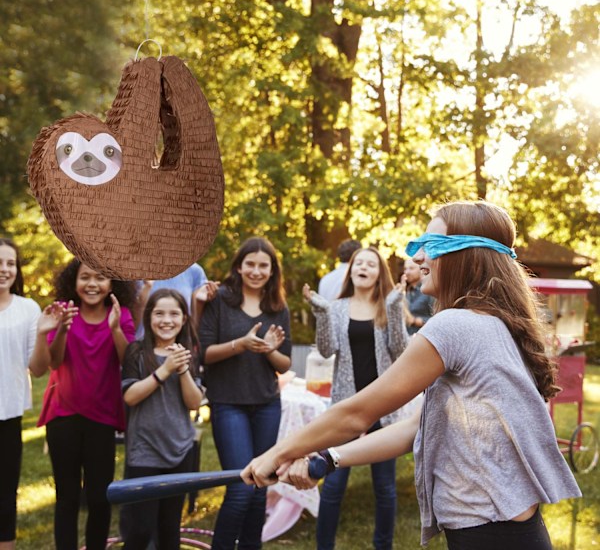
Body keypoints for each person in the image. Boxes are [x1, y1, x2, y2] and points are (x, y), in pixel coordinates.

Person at [242, 201, 582, 550]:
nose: (419, 257)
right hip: (510, 533)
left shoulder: (455, 326)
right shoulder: (495, 323)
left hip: (490, 535)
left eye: (431, 246)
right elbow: (414, 428)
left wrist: (276, 453)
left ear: (467, 255)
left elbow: (357, 414)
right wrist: (326, 460)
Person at [303, 246, 409, 550]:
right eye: (358, 263)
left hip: (383, 409)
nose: (363, 267)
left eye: (370, 264)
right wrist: (322, 313)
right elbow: (326, 350)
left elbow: (400, 352)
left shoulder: (388, 304)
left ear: (379, 273)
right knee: (334, 485)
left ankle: (383, 546)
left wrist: (394, 308)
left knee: (385, 488)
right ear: (351, 270)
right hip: (346, 409)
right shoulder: (337, 307)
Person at [32, 259, 137, 550]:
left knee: (98, 498)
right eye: (85, 277)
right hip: (63, 415)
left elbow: (126, 361)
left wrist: (115, 328)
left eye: (101, 277)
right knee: (66, 497)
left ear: (112, 284)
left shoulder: (121, 315)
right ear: (73, 282)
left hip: (102, 417)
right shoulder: (63, 312)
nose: (93, 284)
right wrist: (61, 329)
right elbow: (53, 362)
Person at [199, 237, 292, 549]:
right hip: (228, 404)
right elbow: (205, 354)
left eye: (263, 265)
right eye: (250, 264)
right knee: (240, 489)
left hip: (267, 403)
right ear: (239, 267)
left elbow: (284, 362)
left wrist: (267, 350)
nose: (256, 270)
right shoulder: (220, 300)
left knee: (260, 487)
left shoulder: (278, 307)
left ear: (272, 270)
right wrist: (242, 343)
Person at [120, 289, 205, 549]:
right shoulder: (136, 351)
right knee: (141, 529)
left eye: (174, 314)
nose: (166, 320)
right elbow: (130, 396)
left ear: (183, 319)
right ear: (149, 318)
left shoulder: (189, 352)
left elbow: (194, 402)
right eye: (159, 313)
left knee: (169, 528)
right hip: (144, 450)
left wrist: (181, 370)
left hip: (179, 449)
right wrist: (164, 370)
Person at [0, 239, 41, 550]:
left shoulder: (28, 309)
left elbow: (37, 368)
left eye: (10, 263)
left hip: (8, 413)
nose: (4, 270)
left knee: (5, 490)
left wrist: (46, 333)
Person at [135, 263, 217, 334]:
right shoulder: (135, 268)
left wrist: (201, 301)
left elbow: (194, 324)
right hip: (144, 345)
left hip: (179, 344)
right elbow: (130, 322)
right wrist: (146, 289)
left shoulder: (194, 271)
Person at [401, 258, 434, 335]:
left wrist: (415, 321)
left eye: (411, 268)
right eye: (405, 269)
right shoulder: (406, 292)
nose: (407, 272)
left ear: (421, 269)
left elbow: (440, 320)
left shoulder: (429, 291)